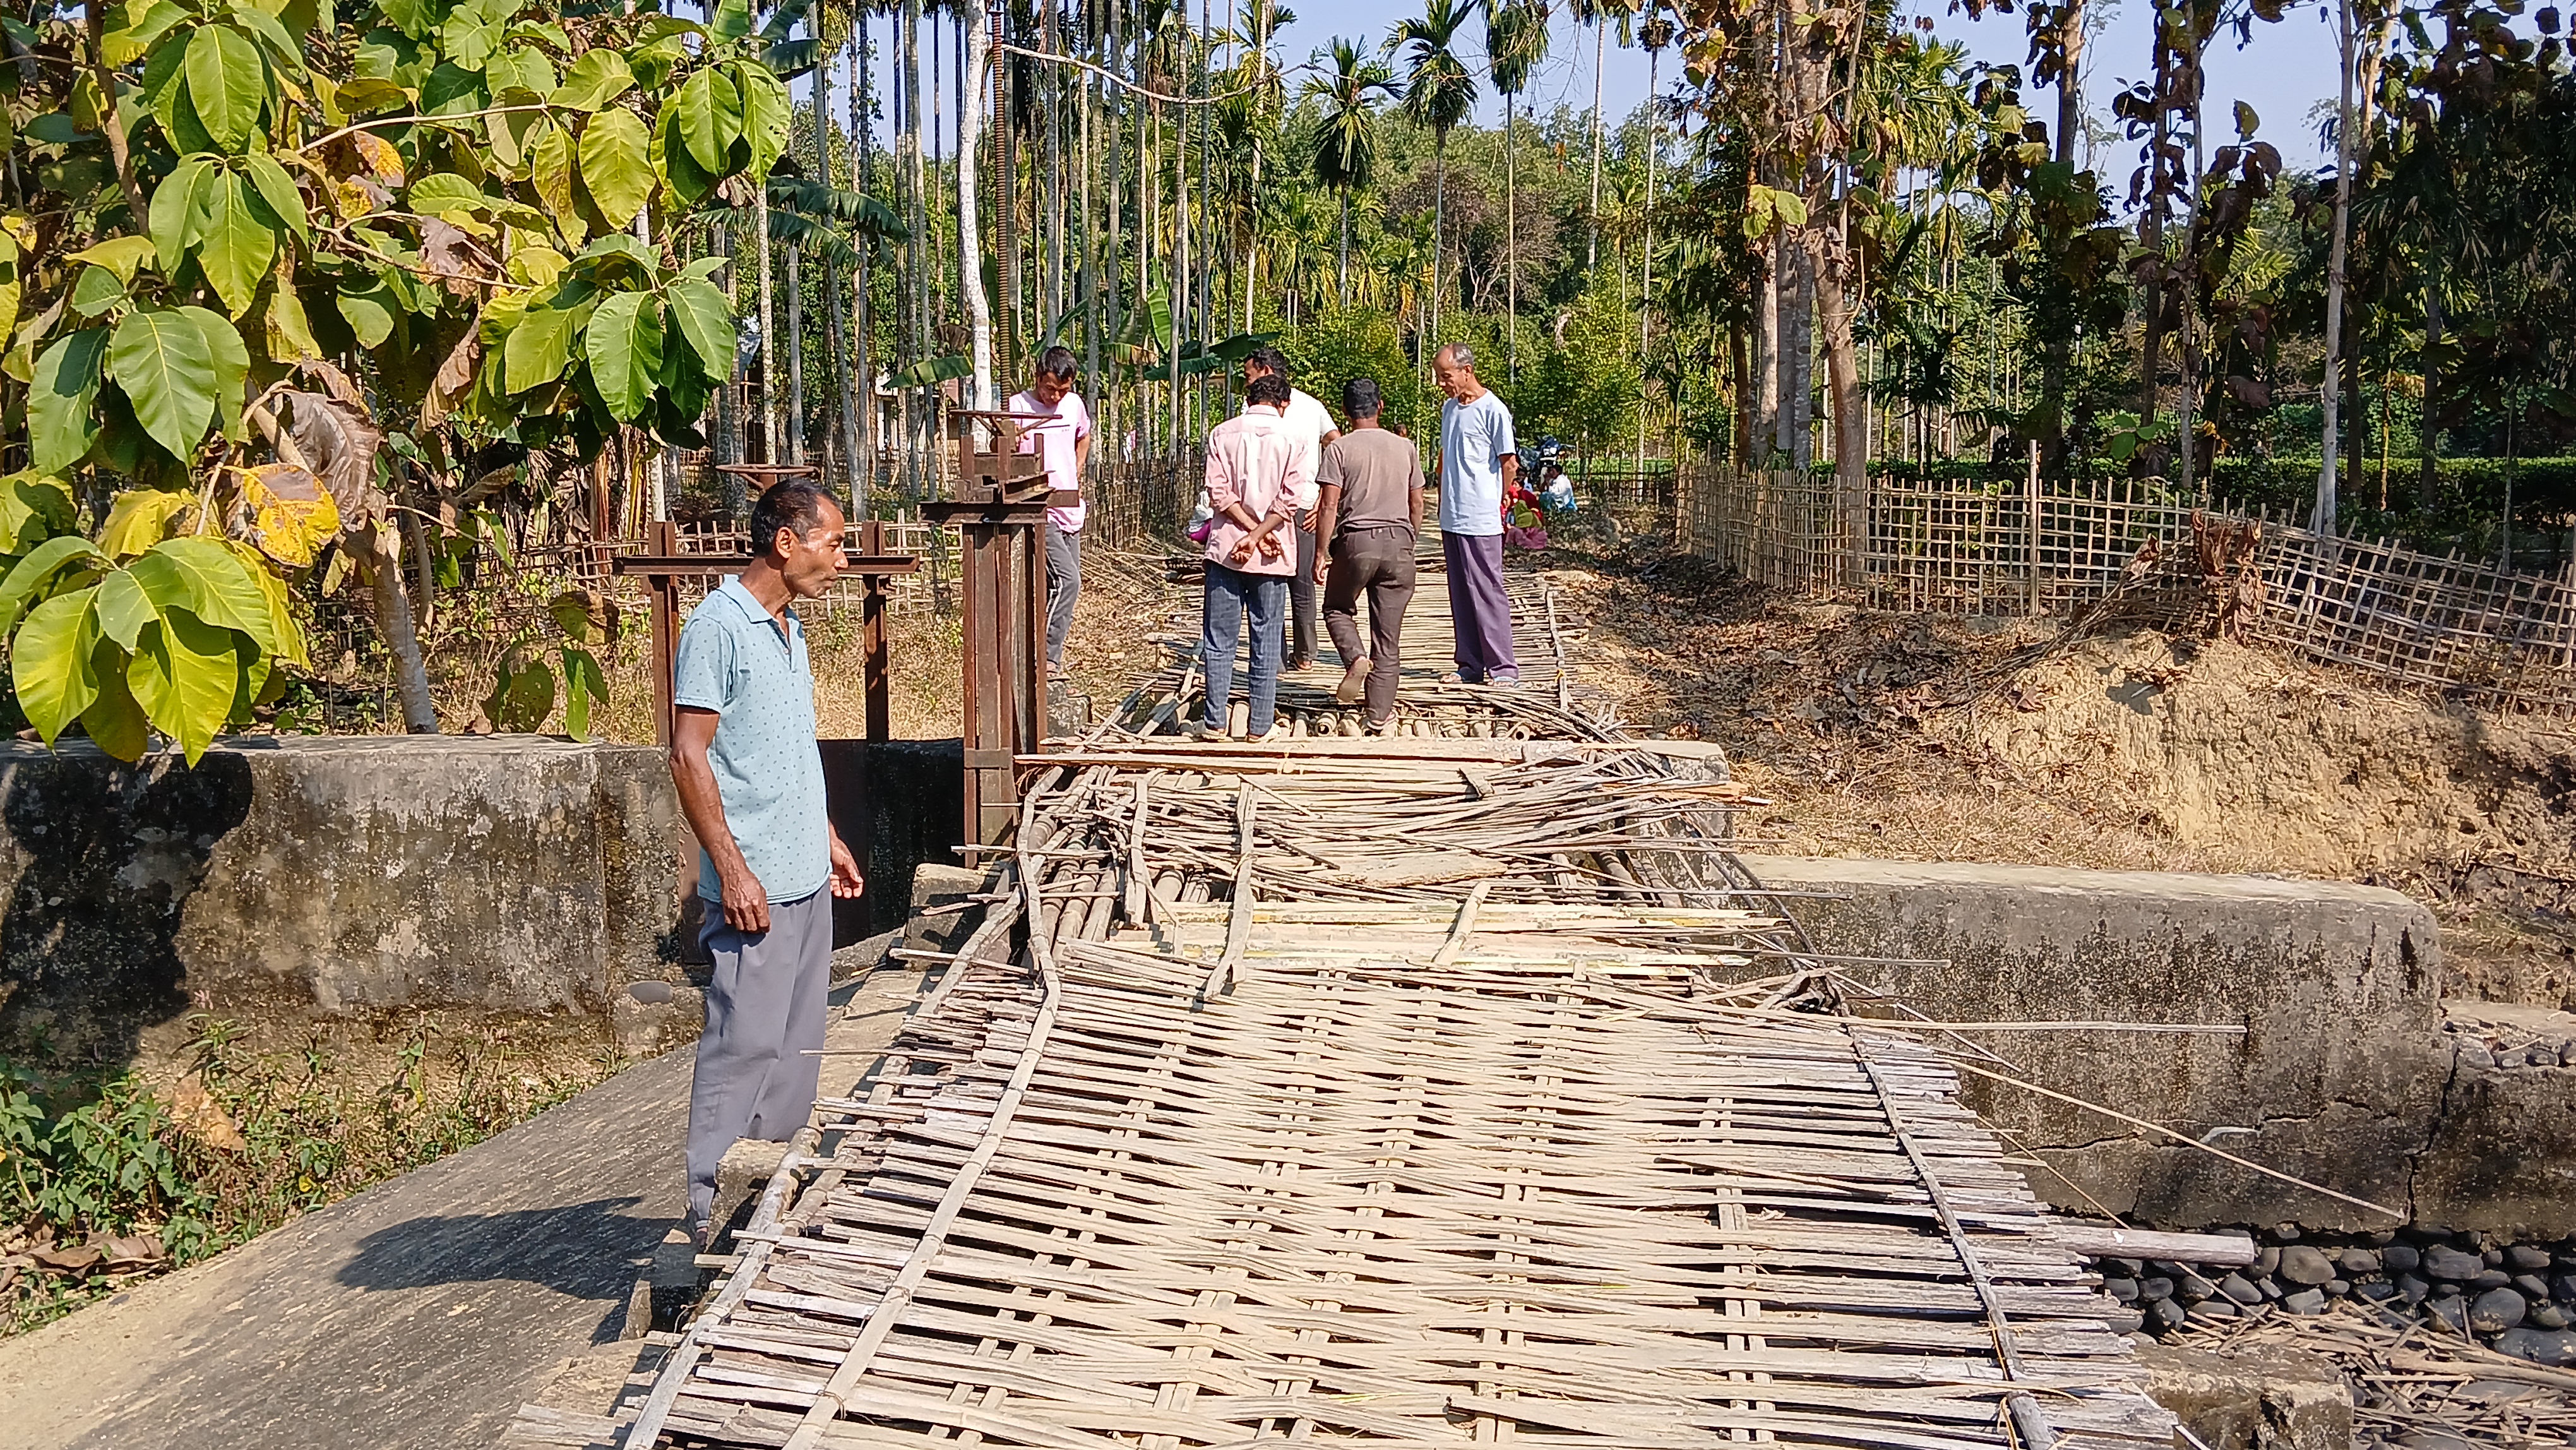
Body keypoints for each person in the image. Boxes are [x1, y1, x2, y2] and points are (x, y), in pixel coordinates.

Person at [669, 481, 868, 1250]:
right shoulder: (719, 626)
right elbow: (689, 753)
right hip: (754, 889)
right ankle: (707, 1214)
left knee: (797, 1048)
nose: (842, 560)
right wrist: (732, 866)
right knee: (742, 1048)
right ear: (787, 542)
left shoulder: (788, 629)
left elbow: (783, 748)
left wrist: (823, 835)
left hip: (804, 879)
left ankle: (767, 1197)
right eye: (834, 543)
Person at [1197, 371, 1313, 741]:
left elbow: (1218, 493)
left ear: (1248, 400)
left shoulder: (1222, 433)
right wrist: (1261, 536)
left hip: (1226, 551)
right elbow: (1291, 500)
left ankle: (1215, 722)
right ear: (1284, 404)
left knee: (1219, 639)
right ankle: (1259, 726)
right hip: (1272, 554)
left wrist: (1247, 533)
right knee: (1265, 638)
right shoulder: (1294, 439)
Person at [1313, 378, 1422, 729]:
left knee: (1336, 608)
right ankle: (1377, 715)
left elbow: (1329, 505)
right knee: (1388, 639)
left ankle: (1355, 656)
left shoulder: (1339, 450)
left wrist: (1320, 553)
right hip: (1399, 544)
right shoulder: (1406, 448)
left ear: (1345, 412)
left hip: (1356, 542)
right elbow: (1417, 502)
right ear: (1381, 407)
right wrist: (1409, 539)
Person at [1239, 346, 1339, 671]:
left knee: (1270, 578)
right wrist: (1324, 493)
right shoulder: (1313, 405)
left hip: (1268, 507)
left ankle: (1277, 654)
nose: (1246, 382)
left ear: (1265, 371)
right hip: (1304, 504)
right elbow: (1336, 444)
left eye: (1249, 375)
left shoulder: (1252, 407)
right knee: (1301, 580)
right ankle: (1305, 653)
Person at [1431, 343, 1520, 686]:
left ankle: (1503, 667)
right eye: (1439, 377)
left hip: (1481, 516)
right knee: (1460, 590)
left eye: (1446, 376)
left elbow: (1508, 463)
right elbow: (1445, 458)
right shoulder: (1449, 409)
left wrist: (1500, 500)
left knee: (1487, 589)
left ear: (1467, 371)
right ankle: (1469, 663)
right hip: (1452, 515)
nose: (1442, 383)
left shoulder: (1494, 410)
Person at [1006, 346, 1094, 673]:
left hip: (1070, 508)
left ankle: (1035, 651)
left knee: (1050, 585)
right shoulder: (1017, 406)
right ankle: (1046, 657)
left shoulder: (1074, 406)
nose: (1055, 396)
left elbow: (1083, 436)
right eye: (1050, 388)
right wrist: (1010, 442)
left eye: (1063, 390)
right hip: (1038, 509)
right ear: (1037, 377)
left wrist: (1078, 463)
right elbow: (1000, 447)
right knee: (1068, 581)